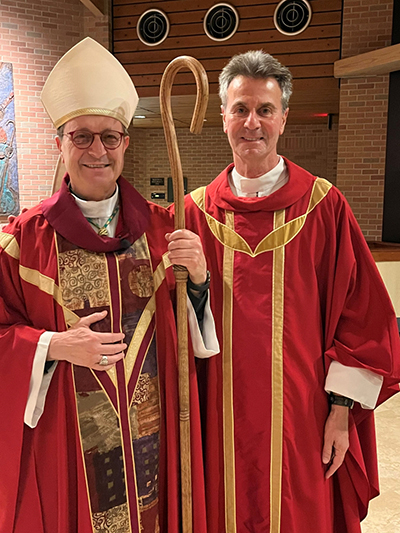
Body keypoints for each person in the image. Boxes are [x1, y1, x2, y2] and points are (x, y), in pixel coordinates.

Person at [0, 38, 218, 533]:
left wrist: (199, 281)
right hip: (69, 449)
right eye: (81, 136)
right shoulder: (24, 242)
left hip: (154, 436)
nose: (97, 150)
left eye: (110, 137)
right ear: (59, 143)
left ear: (125, 144)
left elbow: (198, 344)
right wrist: (53, 346)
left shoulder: (165, 230)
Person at [183, 50, 400, 532]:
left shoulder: (324, 207)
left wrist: (341, 413)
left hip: (302, 417)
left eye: (265, 109)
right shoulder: (194, 214)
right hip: (219, 415)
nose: (252, 123)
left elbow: (362, 319)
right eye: (241, 109)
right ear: (223, 118)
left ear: (283, 118)